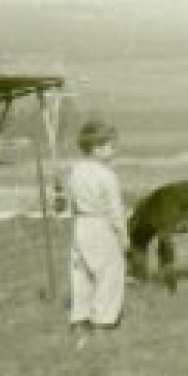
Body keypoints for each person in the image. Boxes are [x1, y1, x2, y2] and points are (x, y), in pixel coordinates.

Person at [66, 118, 128, 341]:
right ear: (97, 148)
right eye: (111, 145)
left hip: (81, 223)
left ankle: (79, 320)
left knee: (81, 273)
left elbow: (70, 201)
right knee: (109, 274)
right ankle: (103, 324)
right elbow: (116, 211)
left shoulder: (76, 171)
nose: (114, 150)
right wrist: (123, 237)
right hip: (100, 225)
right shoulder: (107, 175)